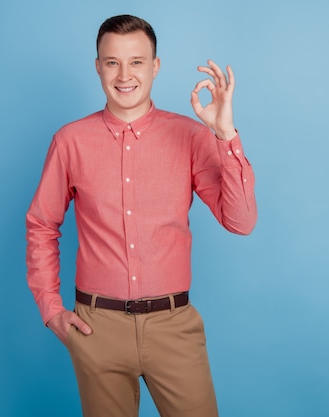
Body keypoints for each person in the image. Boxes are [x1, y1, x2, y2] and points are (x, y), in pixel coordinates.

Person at [26, 14, 257, 417]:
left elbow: (240, 221)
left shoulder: (190, 136)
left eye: (136, 61)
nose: (124, 74)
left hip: (174, 327)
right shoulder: (70, 141)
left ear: (155, 66)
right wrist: (50, 309)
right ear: (98, 66)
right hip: (98, 327)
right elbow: (42, 225)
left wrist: (225, 135)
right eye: (112, 61)